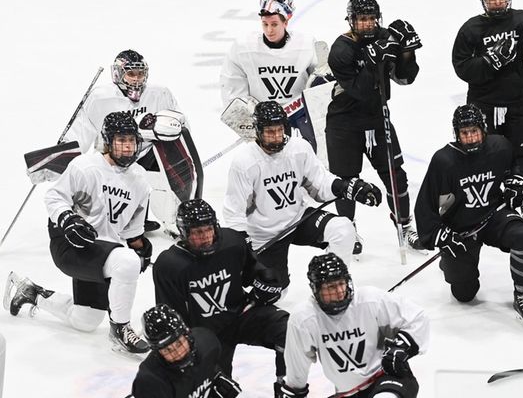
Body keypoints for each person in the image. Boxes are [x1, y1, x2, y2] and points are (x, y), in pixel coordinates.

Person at [3, 111, 152, 354]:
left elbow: (132, 226)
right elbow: (54, 196)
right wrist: (68, 218)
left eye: (131, 141)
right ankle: (121, 329)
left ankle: (32, 292)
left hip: (103, 250)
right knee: (126, 262)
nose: (127, 147)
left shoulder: (140, 180)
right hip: (72, 244)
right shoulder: (85, 166)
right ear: (108, 141)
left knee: (85, 321)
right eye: (121, 141)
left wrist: (138, 243)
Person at [223, 101, 381, 288]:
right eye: (269, 132)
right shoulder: (244, 162)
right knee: (276, 293)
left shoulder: (299, 148)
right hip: (264, 234)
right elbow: (234, 212)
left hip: (298, 218)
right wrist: (244, 244)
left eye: (279, 130)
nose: (275, 137)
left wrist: (347, 187)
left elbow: (320, 183)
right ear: (258, 131)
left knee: (343, 229)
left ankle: (333, 283)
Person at [414, 104, 523, 325]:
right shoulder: (444, 160)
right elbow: (425, 206)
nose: (470, 137)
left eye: (474, 131)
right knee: (464, 294)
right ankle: (448, 261)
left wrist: (517, 185)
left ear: (483, 130)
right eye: (464, 133)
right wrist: (439, 235)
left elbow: (514, 172)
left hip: (494, 216)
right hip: (461, 229)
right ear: (457, 134)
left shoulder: (500, 146)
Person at [326, 0, 424, 254]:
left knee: (396, 175)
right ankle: (348, 229)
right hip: (343, 123)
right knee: (346, 180)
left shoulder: (384, 37)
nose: (368, 24)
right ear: (351, 20)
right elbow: (361, 89)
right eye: (362, 19)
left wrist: (405, 52)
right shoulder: (340, 50)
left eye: (371, 19)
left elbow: (405, 79)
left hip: (377, 118)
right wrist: (375, 59)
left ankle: (404, 225)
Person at [154, 199, 289, 387]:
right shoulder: (170, 265)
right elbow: (173, 318)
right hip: (203, 334)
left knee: (290, 332)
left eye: (209, 229)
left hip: (240, 315)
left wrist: (267, 282)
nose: (206, 237)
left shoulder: (232, 242)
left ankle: (287, 388)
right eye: (198, 232)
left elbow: (253, 273)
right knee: (218, 388)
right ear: (184, 233)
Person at [64, 49, 203, 232]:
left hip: (145, 151)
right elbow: (82, 131)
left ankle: (179, 216)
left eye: (140, 73)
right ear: (118, 74)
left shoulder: (159, 93)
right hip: (112, 155)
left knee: (174, 158)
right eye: (131, 74)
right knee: (113, 191)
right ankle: (115, 218)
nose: (137, 79)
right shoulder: (100, 97)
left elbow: (180, 124)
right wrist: (64, 155)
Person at [452, 0, 523, 188]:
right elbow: (461, 68)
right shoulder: (471, 29)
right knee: (484, 156)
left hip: (519, 102)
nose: (497, 3)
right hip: (484, 104)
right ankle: (489, 205)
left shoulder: (522, 20)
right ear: (483, 0)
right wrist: (490, 60)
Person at [277, 253, 429, 398]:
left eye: (342, 283)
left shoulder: (370, 300)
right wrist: (292, 391)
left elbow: (417, 318)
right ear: (316, 288)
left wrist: (402, 347)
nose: (340, 291)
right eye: (331, 287)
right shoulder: (304, 319)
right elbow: (297, 368)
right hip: (349, 393)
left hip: (387, 378)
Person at [220, 0, 330, 150]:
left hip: (300, 118)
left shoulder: (306, 44)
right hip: (264, 124)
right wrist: (252, 122)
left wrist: (323, 78)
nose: (269, 30)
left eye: (274, 24)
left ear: (286, 21)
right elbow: (231, 92)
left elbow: (322, 88)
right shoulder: (243, 48)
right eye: (265, 24)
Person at [131, 304, 242, 398]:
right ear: (157, 352)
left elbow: (208, 366)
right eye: (168, 349)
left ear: (187, 334)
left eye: (179, 343)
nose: (178, 353)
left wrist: (216, 376)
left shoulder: (207, 343)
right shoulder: (151, 383)